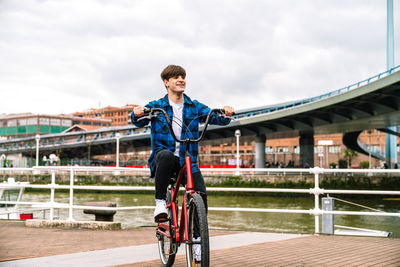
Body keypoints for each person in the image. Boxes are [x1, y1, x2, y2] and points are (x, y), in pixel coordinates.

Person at [131, 65, 234, 223]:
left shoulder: (194, 106)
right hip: (166, 161)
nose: (181, 80)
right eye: (176, 77)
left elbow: (215, 117)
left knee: (201, 195)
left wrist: (225, 113)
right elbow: (137, 120)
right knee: (165, 155)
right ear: (166, 82)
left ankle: (198, 240)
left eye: (183, 77)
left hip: (188, 160)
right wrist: (137, 113)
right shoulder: (157, 106)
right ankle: (160, 204)